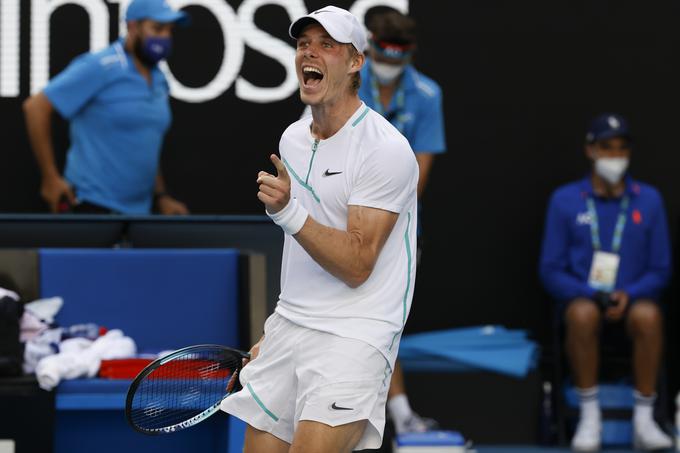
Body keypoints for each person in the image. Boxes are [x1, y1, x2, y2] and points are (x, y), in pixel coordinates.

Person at [220, 6, 419, 452]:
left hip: (355, 335)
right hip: (292, 326)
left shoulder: (386, 150)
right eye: (304, 44)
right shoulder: (292, 138)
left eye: (327, 45)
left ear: (354, 63)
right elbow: (301, 256)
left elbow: (357, 264)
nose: (310, 52)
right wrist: (275, 331)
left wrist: (289, 212)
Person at [539, 113, 673, 451]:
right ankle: (589, 416)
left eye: (621, 149)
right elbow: (551, 269)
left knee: (650, 316)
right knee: (582, 314)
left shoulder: (649, 199)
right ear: (590, 150)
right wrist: (591, 294)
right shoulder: (565, 200)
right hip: (584, 299)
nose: (615, 156)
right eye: (607, 148)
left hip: (634, 299)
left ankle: (644, 420)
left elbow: (661, 267)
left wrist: (630, 294)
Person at [358, 7, 446, 435]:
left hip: (400, 227)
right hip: (345, 223)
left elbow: (419, 172)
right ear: (370, 45)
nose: (389, 66)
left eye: (398, 59)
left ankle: (398, 413)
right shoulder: (350, 85)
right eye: (384, 56)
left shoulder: (428, 95)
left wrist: (384, 225)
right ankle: (372, 412)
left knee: (386, 318)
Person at [23, 0, 189, 215]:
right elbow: (35, 107)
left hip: (140, 213)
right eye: (157, 28)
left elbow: (146, 139)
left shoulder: (159, 78)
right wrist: (50, 179)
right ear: (133, 27)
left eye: (169, 30)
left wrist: (161, 196)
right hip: (92, 207)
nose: (165, 37)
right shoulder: (100, 66)